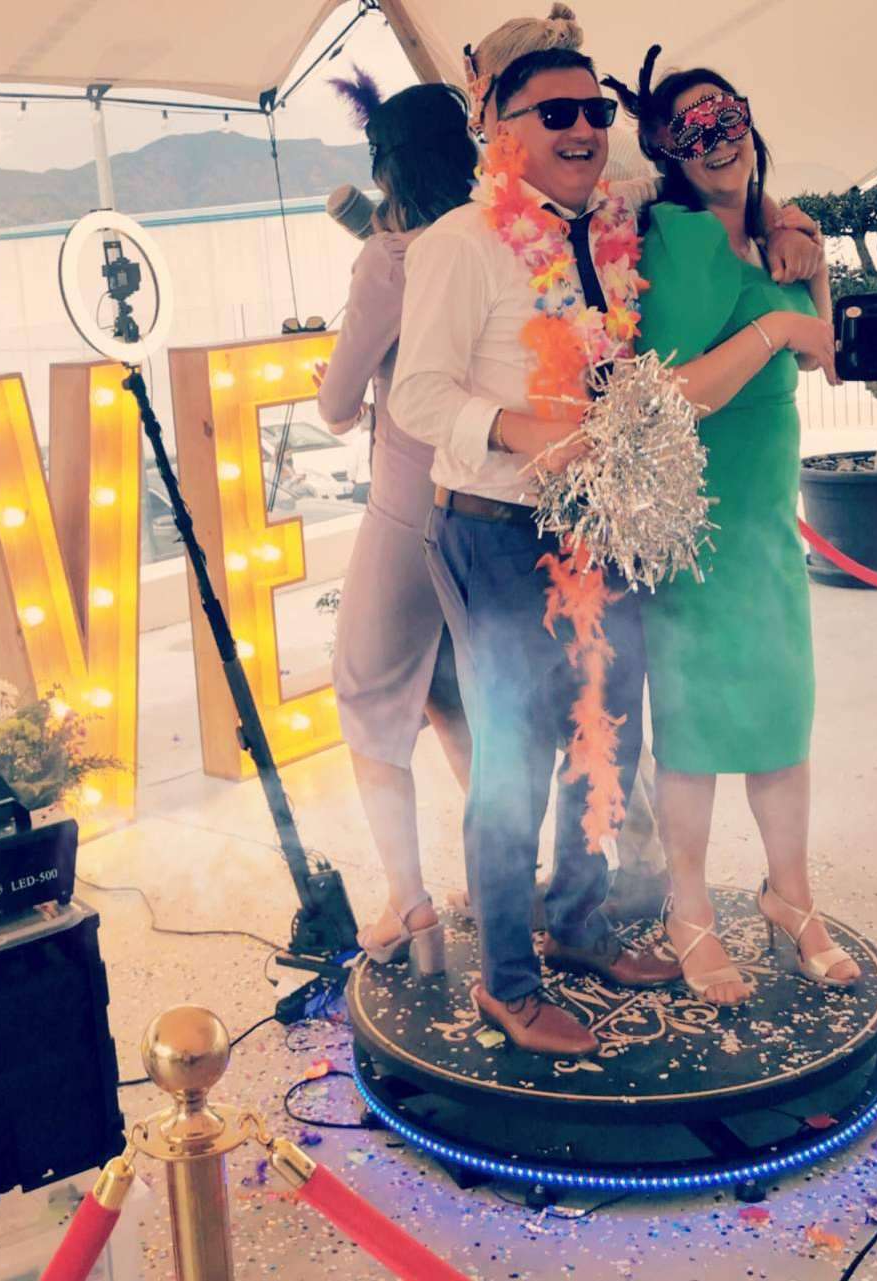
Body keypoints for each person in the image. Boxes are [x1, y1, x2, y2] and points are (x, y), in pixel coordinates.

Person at [390, 35, 686, 1056]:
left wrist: (783, 223)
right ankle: (506, 984)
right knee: (513, 762)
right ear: (499, 134)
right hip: (495, 530)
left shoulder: (609, 229)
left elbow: (710, 183)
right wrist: (526, 434)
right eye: (555, 113)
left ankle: (578, 925)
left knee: (606, 738)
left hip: (605, 524)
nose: (583, 128)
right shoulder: (462, 242)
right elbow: (417, 395)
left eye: (596, 112)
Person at [606, 52, 860, 1002]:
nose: (717, 140)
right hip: (695, 520)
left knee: (782, 713)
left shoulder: (775, 232)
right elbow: (665, 394)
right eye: (692, 129)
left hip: (765, 522)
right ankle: (688, 910)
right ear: (666, 150)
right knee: (696, 727)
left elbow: (830, 359)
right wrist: (776, 330)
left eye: (727, 117)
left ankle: (789, 895)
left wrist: (811, 255)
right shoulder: (674, 238)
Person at [315, 77, 481, 974]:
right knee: (457, 696)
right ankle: (498, 881)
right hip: (490, 501)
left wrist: (334, 381)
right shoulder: (497, 236)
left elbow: (340, 401)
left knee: (369, 698)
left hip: (409, 505)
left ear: (386, 167)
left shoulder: (390, 258)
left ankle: (408, 904)